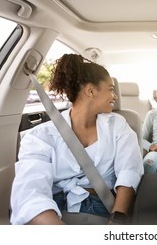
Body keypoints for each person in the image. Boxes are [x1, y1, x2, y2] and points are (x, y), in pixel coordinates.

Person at [10, 54, 144, 225]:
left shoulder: (117, 125)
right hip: (51, 213)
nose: (115, 96)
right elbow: (30, 195)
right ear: (90, 91)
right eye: (110, 89)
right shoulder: (40, 136)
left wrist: (117, 219)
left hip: (102, 207)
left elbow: (129, 171)